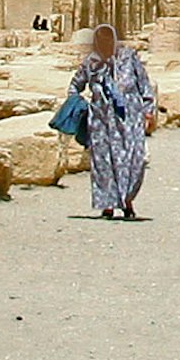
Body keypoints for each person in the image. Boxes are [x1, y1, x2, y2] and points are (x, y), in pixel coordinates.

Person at [63, 24, 159, 219]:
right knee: (104, 163)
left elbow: (144, 85)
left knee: (134, 160)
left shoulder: (128, 58)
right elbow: (75, 85)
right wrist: (79, 106)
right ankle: (108, 204)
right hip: (101, 122)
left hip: (129, 120)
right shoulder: (92, 63)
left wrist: (148, 111)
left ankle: (127, 200)